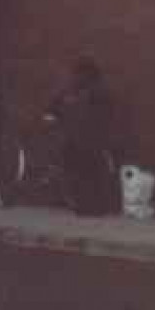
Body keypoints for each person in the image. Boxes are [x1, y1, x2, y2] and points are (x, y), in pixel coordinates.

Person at [51, 56, 117, 216]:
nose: (77, 76)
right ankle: (87, 206)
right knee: (83, 175)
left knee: (86, 174)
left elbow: (104, 116)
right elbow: (54, 109)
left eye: (79, 73)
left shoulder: (94, 92)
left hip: (86, 141)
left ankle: (89, 207)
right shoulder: (72, 92)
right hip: (79, 140)